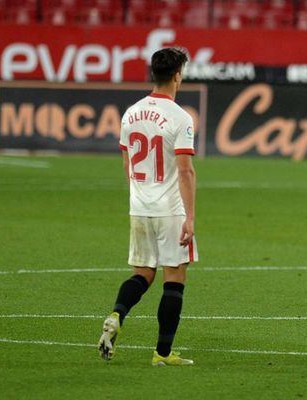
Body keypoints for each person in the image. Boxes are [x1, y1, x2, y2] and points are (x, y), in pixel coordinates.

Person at [97, 47, 198, 367]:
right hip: (169, 208)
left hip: (139, 205)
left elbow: (127, 165)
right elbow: (185, 171)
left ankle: (117, 314)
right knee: (174, 276)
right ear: (178, 74)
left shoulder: (130, 113)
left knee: (142, 272)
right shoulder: (180, 117)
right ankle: (163, 353)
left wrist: (140, 196)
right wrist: (190, 216)